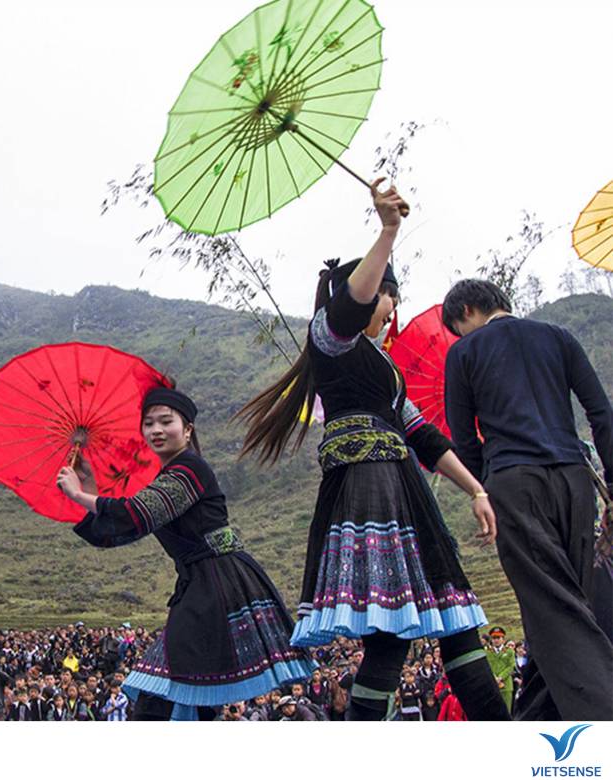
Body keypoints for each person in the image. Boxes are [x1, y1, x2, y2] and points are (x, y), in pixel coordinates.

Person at [237, 181, 510, 722]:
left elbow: (425, 438)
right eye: (390, 298)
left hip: (406, 494)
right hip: (368, 491)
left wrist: (476, 488)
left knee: (451, 628)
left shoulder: (385, 373)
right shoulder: (331, 339)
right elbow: (349, 307)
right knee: (391, 635)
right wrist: (387, 231)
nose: (391, 311)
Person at [57, 387, 313, 721]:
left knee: (176, 687)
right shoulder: (171, 475)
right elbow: (127, 527)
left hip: (217, 586)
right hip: (201, 587)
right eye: (149, 424)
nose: (156, 430)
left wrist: (78, 495)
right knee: (187, 687)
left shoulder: (190, 470)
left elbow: (138, 512)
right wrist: (91, 492)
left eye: (166, 421)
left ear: (188, 429)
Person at [442, 278, 613, 721]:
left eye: (458, 328)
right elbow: (600, 413)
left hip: (514, 484)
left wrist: (486, 489)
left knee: (555, 608)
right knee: (561, 603)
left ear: (467, 312)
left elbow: (464, 439)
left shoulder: (463, 354)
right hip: (574, 482)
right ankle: (535, 726)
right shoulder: (559, 337)